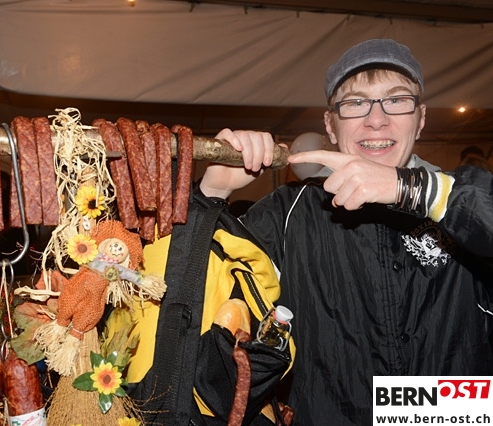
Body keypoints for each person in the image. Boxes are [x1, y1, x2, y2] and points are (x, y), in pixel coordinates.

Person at [199, 38, 493, 426]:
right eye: (355, 103)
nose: (376, 119)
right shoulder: (288, 211)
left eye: (396, 100)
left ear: (420, 119)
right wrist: (211, 195)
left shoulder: (462, 196)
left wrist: (408, 189)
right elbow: (191, 311)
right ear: (330, 125)